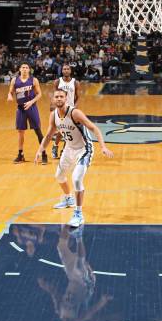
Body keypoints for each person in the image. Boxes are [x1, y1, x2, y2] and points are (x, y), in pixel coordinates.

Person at [35, 89, 113, 227]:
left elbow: (94, 128)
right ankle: (68, 199)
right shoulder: (53, 115)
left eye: (61, 97)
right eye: (56, 97)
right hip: (69, 148)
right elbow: (48, 135)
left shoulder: (75, 113)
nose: (59, 99)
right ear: (53, 99)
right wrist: (40, 150)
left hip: (84, 149)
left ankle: (78, 214)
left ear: (66, 99)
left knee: (76, 179)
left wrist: (103, 147)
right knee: (59, 176)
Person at [7, 62, 48, 164]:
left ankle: (43, 153)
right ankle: (20, 154)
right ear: (20, 69)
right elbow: (10, 92)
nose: (24, 69)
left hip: (32, 107)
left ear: (29, 70)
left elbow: (39, 94)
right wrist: (9, 96)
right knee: (20, 132)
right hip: (21, 108)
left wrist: (31, 102)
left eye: (26, 67)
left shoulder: (33, 80)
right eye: (23, 67)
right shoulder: (14, 80)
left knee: (37, 130)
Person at [51, 64, 81, 159]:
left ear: (70, 71)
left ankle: (64, 150)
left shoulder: (75, 82)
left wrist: (74, 108)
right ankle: (55, 146)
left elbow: (78, 97)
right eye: (64, 69)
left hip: (70, 110)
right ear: (62, 71)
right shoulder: (57, 82)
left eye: (68, 69)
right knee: (61, 130)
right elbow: (55, 96)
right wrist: (53, 107)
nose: (66, 70)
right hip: (60, 109)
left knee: (69, 131)